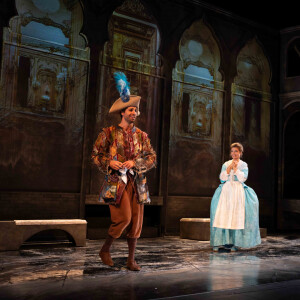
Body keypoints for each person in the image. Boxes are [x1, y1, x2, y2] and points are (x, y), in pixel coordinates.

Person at [91, 72, 156, 271]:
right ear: (122, 112)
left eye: (136, 110)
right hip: (117, 183)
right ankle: (105, 249)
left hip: (137, 182)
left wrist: (134, 162)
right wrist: (110, 162)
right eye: (130, 110)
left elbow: (152, 157)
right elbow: (96, 154)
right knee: (124, 218)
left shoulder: (142, 136)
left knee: (136, 221)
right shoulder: (108, 133)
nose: (134, 113)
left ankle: (131, 259)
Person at [210, 143, 261, 252]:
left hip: (238, 191)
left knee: (235, 216)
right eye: (232, 151)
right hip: (226, 191)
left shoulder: (243, 165)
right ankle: (219, 242)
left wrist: (236, 169)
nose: (234, 153)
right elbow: (222, 178)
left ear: (240, 153)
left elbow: (243, 178)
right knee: (222, 215)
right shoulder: (226, 163)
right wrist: (229, 168)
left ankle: (235, 243)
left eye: (236, 151)